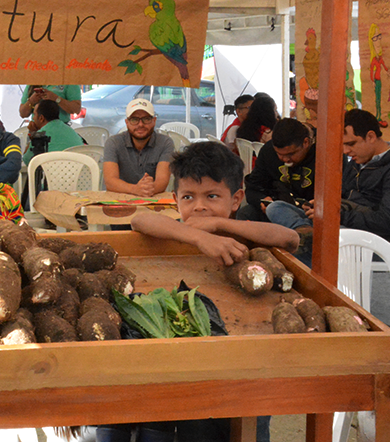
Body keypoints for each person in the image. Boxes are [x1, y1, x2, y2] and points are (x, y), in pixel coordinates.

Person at [126, 141, 298, 442]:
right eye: (188, 197)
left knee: (249, 420)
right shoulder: (175, 233)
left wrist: (219, 225)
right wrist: (196, 237)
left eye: (212, 196)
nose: (200, 206)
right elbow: (138, 219)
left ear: (236, 199)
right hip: (183, 364)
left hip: (245, 361)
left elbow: (290, 237)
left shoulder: (240, 231)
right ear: (175, 199)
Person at [265, 109, 390, 256]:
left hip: (371, 239)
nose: (345, 150)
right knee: (276, 207)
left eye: (351, 144)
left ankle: (307, 240)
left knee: (300, 246)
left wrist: (335, 215)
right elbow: (340, 196)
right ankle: (305, 233)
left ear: (370, 137)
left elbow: (388, 221)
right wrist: (320, 206)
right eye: (343, 144)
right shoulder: (358, 161)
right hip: (343, 224)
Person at [238, 118, 317, 233]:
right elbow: (253, 187)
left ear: (306, 143)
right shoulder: (268, 152)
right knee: (247, 213)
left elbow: (341, 195)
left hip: (312, 213)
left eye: (291, 154)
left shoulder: (324, 152)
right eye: (279, 154)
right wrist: (262, 200)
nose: (285, 159)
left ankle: (304, 234)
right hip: (280, 209)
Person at [103, 98, 174, 197]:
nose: (140, 124)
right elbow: (110, 182)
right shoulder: (113, 143)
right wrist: (135, 189)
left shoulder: (165, 143)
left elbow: (162, 181)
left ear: (154, 121)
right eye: (134, 120)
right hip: (118, 200)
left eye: (146, 119)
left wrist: (145, 190)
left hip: (151, 199)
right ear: (127, 122)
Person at [23, 98, 83, 165]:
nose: (33, 118)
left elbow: (27, 161)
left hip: (54, 174)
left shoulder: (40, 136)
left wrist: (32, 134)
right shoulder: (72, 132)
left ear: (41, 118)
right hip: (80, 172)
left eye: (34, 114)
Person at [369, 23, 389, 127]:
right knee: (377, 99)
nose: (378, 40)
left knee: (380, 99)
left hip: (380, 80)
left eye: (379, 37)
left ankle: (379, 116)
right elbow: (372, 70)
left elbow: (384, 66)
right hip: (376, 81)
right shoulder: (373, 59)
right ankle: (377, 117)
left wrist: (388, 71)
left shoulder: (380, 58)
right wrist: (372, 81)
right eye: (375, 38)